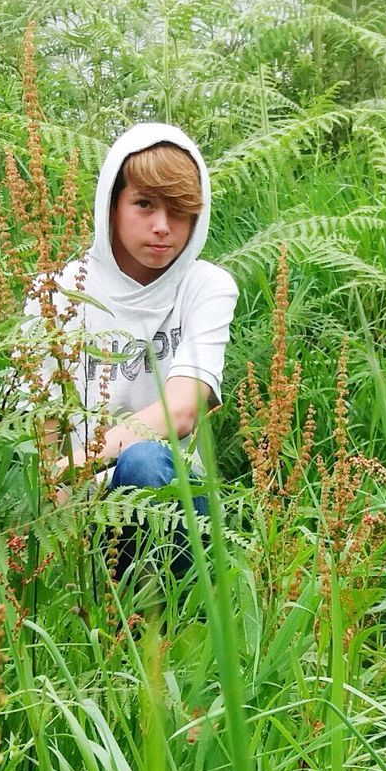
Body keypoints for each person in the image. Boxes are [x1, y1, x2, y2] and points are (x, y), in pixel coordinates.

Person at [33, 123, 238, 570]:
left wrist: (75, 463)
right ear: (112, 206)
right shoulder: (57, 294)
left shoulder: (205, 287)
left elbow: (181, 411)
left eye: (179, 210)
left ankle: (180, 619)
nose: (163, 227)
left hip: (170, 497)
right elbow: (42, 422)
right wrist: (57, 510)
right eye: (144, 204)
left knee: (144, 459)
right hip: (75, 506)